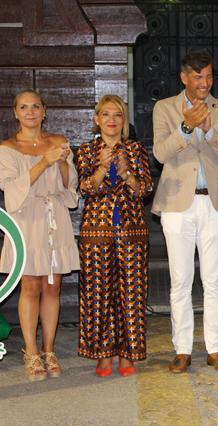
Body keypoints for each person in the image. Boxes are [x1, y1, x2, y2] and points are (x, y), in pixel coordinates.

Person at [152, 50, 218, 373]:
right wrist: (186, 129)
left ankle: (215, 349)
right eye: (199, 76)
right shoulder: (165, 108)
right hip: (177, 204)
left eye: (209, 76)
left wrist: (210, 130)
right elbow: (160, 153)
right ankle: (182, 349)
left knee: (214, 280)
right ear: (184, 77)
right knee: (180, 280)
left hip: (214, 202)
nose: (205, 83)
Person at [0, 89, 79, 380]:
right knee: (31, 285)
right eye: (24, 107)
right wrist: (43, 162)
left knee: (53, 286)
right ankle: (31, 352)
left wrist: (60, 163)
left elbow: (70, 189)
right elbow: (12, 190)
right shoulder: (7, 147)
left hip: (54, 216)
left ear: (44, 110)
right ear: (15, 112)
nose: (30, 111)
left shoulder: (58, 142)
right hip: (26, 219)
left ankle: (49, 349)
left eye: (35, 106)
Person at [76, 95, 153, 376]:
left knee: (132, 293)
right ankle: (103, 354)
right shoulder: (86, 150)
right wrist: (99, 169)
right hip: (96, 232)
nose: (111, 120)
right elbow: (85, 189)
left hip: (131, 231)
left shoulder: (135, 149)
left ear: (124, 120)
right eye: (106, 114)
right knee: (98, 293)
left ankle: (129, 353)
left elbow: (145, 190)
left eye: (117, 115)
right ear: (97, 120)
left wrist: (126, 174)